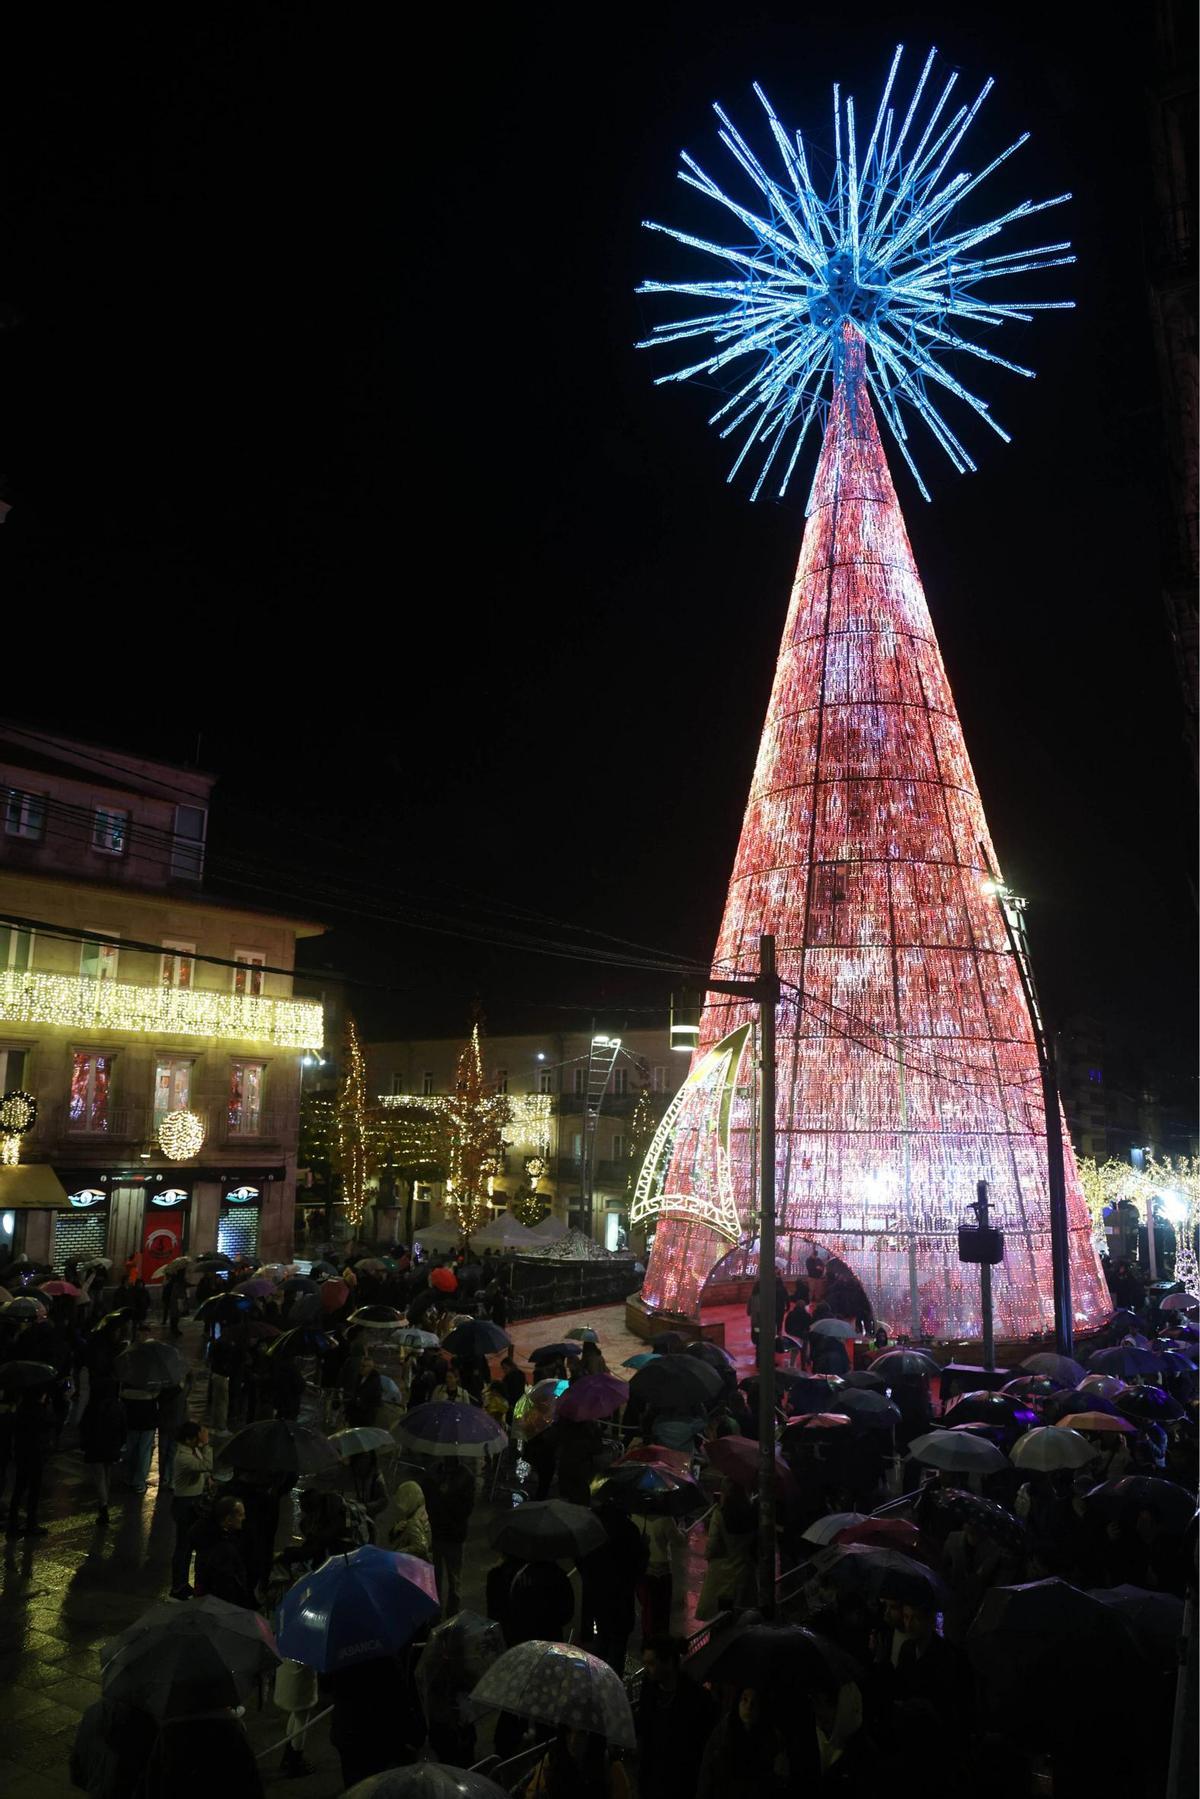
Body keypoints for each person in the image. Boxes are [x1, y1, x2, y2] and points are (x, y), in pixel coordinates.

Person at [637, 1635, 717, 1799]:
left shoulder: (696, 1697)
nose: (646, 1669)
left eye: (651, 1663)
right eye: (645, 1663)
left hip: (681, 1779)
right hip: (654, 1775)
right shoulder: (649, 1688)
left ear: (669, 1663)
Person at [578, 1500, 648, 1676]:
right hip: (621, 1600)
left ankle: (595, 1683)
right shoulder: (630, 1530)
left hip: (598, 1597)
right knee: (617, 1648)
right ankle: (613, 1688)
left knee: (600, 1640)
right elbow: (638, 1571)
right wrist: (644, 1548)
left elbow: (582, 1561)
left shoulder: (593, 1527)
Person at [697, 1687, 790, 1799]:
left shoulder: (772, 1739)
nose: (749, 1707)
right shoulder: (724, 1732)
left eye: (754, 1702)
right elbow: (707, 1775)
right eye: (744, 1699)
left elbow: (779, 1782)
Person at [695, 1480, 757, 1619]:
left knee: (720, 1619)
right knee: (742, 1619)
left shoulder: (720, 1514)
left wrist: (709, 1556)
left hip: (722, 1575)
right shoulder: (753, 1514)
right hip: (745, 1574)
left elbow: (712, 1545)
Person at [422, 1458, 476, 1615]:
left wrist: (448, 1496)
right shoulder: (432, 1473)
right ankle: (435, 1611)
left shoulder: (466, 1477)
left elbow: (466, 1509)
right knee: (434, 1577)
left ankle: (453, 1612)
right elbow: (426, 1499)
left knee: (454, 1580)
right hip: (436, 1534)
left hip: (454, 1537)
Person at [169, 1421, 213, 1600]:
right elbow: (206, 1465)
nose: (200, 1440)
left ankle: (183, 1584)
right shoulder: (183, 1457)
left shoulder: (191, 1450)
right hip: (185, 1504)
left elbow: (203, 1469)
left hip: (193, 1501)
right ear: (188, 1439)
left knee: (188, 1546)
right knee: (184, 1548)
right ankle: (178, 1586)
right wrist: (207, 1444)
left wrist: (207, 1480)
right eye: (197, 1438)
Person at [526, 1726, 631, 1799]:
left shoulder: (610, 1767)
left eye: (582, 1733)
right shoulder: (552, 1761)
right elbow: (531, 1792)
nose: (573, 1740)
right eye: (568, 1731)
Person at [5, 1387, 53, 1539]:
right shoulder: (39, 1411)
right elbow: (49, 1425)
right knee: (34, 1490)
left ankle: (12, 1525)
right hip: (35, 1455)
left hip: (22, 1454)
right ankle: (31, 1524)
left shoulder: (21, 1410)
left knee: (19, 1489)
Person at [79, 1369, 125, 1526]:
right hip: (112, 1445)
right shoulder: (117, 1406)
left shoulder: (92, 1408)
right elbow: (123, 1427)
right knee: (107, 1473)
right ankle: (106, 1501)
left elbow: (84, 1428)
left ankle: (103, 1506)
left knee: (99, 1476)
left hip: (95, 1446)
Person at [194, 1496, 255, 1608]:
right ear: (228, 1519)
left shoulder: (209, 1537)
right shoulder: (224, 1549)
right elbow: (226, 1585)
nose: (244, 1518)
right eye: (240, 1515)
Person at [388, 1479, 432, 1558]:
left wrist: (398, 1553)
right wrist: (395, 1531)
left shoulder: (415, 1520)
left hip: (412, 1565)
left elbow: (421, 1547)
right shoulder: (413, 1514)